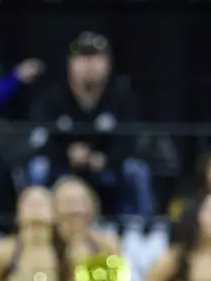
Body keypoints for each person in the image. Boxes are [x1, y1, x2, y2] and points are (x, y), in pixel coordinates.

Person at [26, 32, 153, 216]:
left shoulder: (122, 96)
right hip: (62, 165)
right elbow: (37, 138)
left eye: (96, 57)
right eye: (83, 57)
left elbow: (131, 140)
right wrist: (67, 154)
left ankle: (138, 228)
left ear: (108, 64)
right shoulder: (52, 97)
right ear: (70, 63)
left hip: (108, 166)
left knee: (136, 169)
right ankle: (35, 218)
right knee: (38, 166)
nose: (89, 65)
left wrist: (104, 158)